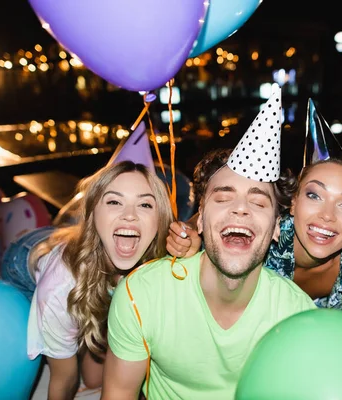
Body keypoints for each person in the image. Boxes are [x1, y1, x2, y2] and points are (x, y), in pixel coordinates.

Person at [102, 86, 316, 400]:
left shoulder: (298, 316)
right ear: (200, 220)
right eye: (223, 197)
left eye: (258, 203)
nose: (240, 208)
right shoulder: (142, 295)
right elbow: (119, 394)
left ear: (275, 228)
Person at [167, 99, 342, 310]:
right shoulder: (261, 233)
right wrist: (190, 230)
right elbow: (222, 208)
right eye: (314, 195)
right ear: (293, 203)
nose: (327, 215)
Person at [0, 161, 173, 400]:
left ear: (160, 220)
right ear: (92, 215)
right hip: (26, 258)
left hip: (71, 241)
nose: (130, 215)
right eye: (114, 201)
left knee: (93, 378)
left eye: (144, 204)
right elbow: (63, 380)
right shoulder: (60, 287)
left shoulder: (162, 261)